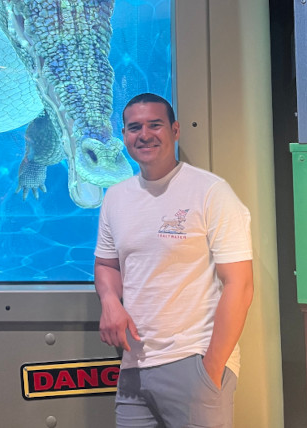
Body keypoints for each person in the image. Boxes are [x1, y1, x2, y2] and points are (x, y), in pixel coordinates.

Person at [94, 93, 253, 428]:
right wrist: (109, 301)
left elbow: (240, 284)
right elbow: (107, 265)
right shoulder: (115, 198)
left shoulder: (210, 191)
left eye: (155, 125)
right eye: (134, 127)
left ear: (175, 130)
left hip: (193, 360)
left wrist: (212, 368)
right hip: (134, 367)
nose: (144, 135)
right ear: (124, 135)